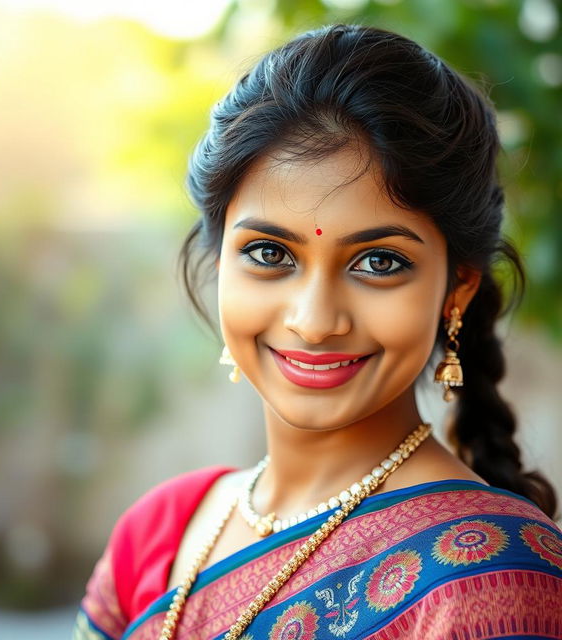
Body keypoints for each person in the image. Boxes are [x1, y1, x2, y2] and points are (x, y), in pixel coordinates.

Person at [73, 24, 562, 640]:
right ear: (221, 262)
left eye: (378, 262)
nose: (313, 319)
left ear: (456, 287)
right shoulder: (159, 532)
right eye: (270, 253)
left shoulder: (491, 583)